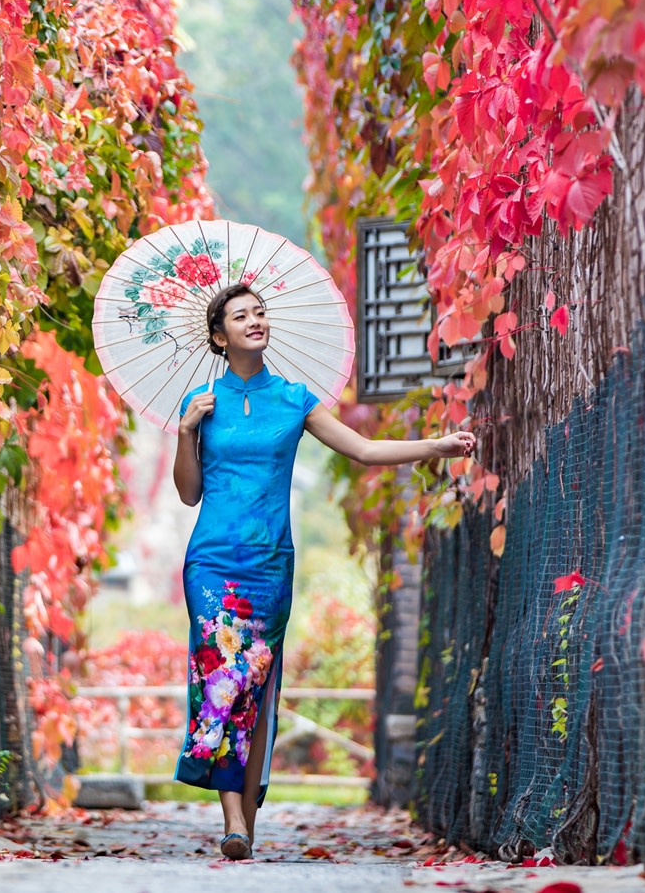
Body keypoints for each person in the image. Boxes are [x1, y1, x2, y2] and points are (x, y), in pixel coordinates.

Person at [172, 283, 476, 861]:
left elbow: (361, 449)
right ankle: (233, 819)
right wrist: (187, 430)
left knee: (256, 681)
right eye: (241, 316)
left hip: (268, 563)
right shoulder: (199, 402)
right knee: (219, 679)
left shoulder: (293, 399)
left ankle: (247, 822)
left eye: (260, 312)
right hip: (211, 560)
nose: (256, 320)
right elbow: (188, 494)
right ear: (220, 335)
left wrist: (432, 447)